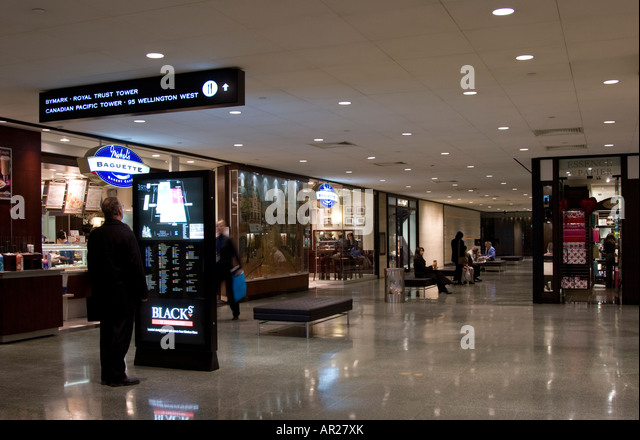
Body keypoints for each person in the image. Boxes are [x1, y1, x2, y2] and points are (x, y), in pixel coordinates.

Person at [87, 197, 148, 387]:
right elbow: (135, 265)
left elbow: (91, 265)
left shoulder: (96, 235)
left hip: (102, 293)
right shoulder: (126, 234)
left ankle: (107, 373)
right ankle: (117, 374)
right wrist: (143, 291)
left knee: (106, 333)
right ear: (119, 211)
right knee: (121, 334)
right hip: (123, 294)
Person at [216, 220, 243, 320]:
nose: (219, 228)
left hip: (227, 268)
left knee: (231, 292)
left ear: (223, 227)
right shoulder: (216, 240)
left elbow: (235, 253)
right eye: (217, 226)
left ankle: (236, 313)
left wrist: (239, 266)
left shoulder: (228, 240)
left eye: (220, 226)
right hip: (218, 269)